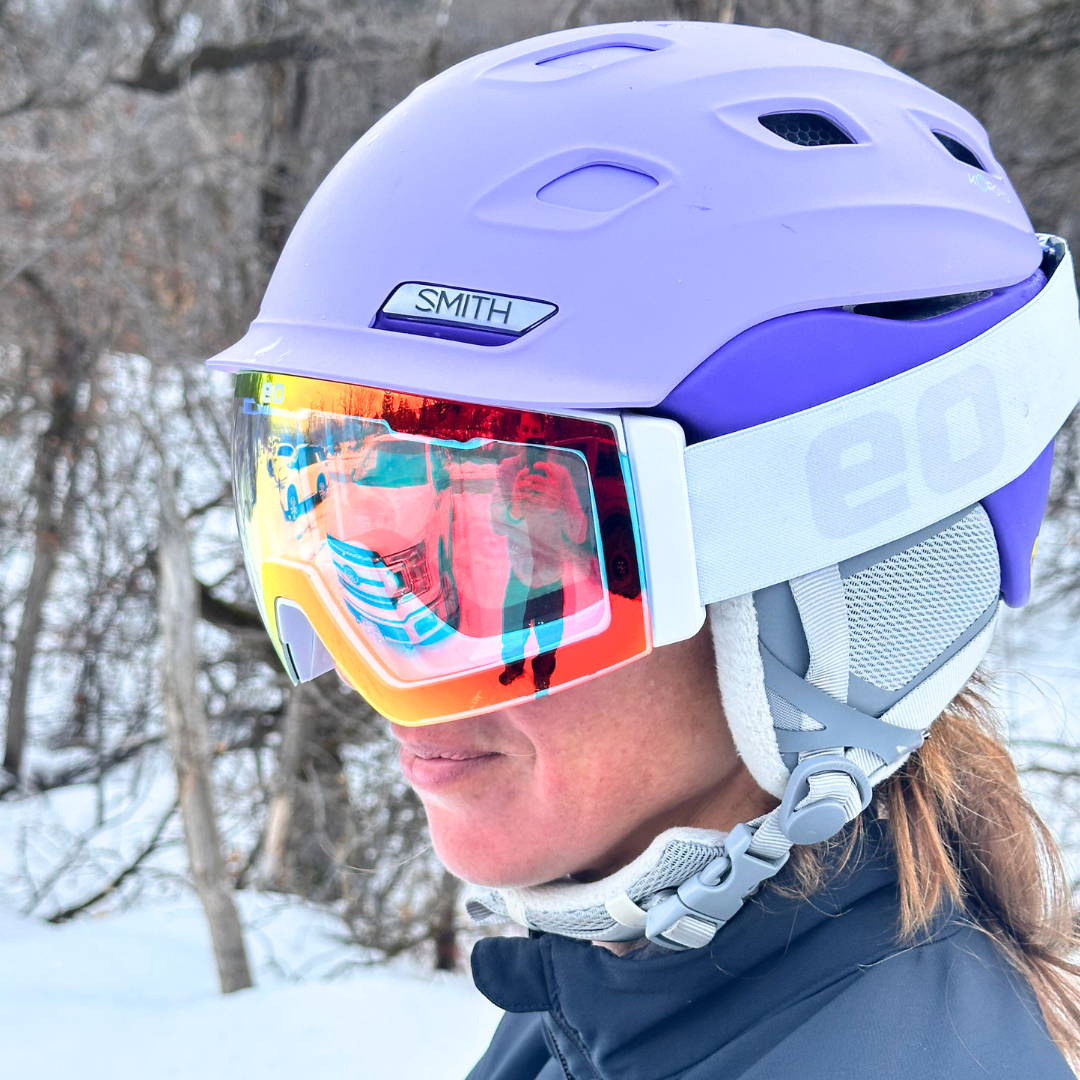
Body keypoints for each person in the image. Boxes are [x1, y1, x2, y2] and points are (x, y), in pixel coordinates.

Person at [213, 21, 1080, 1078]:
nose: (380, 667)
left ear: (837, 591)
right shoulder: (616, 996)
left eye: (506, 542)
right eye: (349, 529)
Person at [491, 412, 588, 692]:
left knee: (550, 637)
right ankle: (513, 668)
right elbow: (495, 524)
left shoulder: (560, 474)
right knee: (513, 631)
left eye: (536, 430)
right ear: (517, 433)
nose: (530, 436)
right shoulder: (506, 471)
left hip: (551, 575)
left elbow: (579, 532)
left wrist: (558, 506)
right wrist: (514, 509)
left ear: (545, 434)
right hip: (519, 573)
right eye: (525, 429)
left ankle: (543, 674)